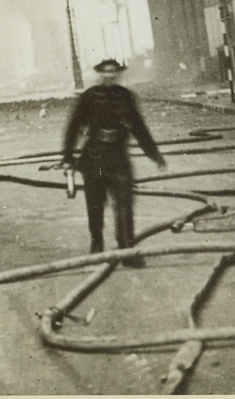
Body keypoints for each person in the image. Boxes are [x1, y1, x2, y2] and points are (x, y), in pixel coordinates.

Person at [61, 58, 166, 264]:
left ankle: (126, 249)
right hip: (95, 158)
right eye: (105, 72)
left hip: (118, 158)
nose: (109, 75)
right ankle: (97, 244)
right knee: (95, 204)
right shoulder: (88, 97)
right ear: (99, 74)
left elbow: (138, 127)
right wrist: (67, 157)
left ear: (118, 74)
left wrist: (154, 154)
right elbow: (73, 128)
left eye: (113, 72)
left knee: (125, 203)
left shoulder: (126, 97)